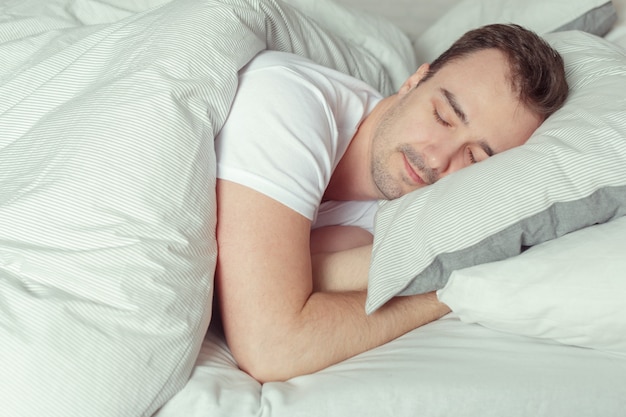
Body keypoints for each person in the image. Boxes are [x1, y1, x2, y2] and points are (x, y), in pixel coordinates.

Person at [214, 23, 568, 383]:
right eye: (442, 116)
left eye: (474, 157)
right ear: (414, 81)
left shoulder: (394, 220)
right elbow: (273, 347)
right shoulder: (290, 103)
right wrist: (447, 295)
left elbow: (278, 294)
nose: (435, 159)